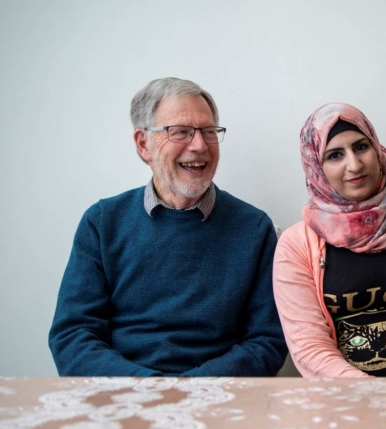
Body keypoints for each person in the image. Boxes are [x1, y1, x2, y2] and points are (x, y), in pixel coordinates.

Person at [49, 78, 287, 377]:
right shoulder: (102, 222)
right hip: (119, 397)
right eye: (181, 132)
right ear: (143, 144)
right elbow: (72, 337)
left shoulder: (253, 228)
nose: (199, 145)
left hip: (219, 400)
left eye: (209, 132)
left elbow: (267, 341)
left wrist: (190, 391)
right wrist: (148, 388)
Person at [273, 103, 386, 378]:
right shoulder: (297, 244)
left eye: (360, 147)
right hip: (347, 402)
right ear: (315, 167)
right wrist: (378, 396)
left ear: (377, 149)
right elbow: (310, 348)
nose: (355, 165)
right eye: (335, 155)